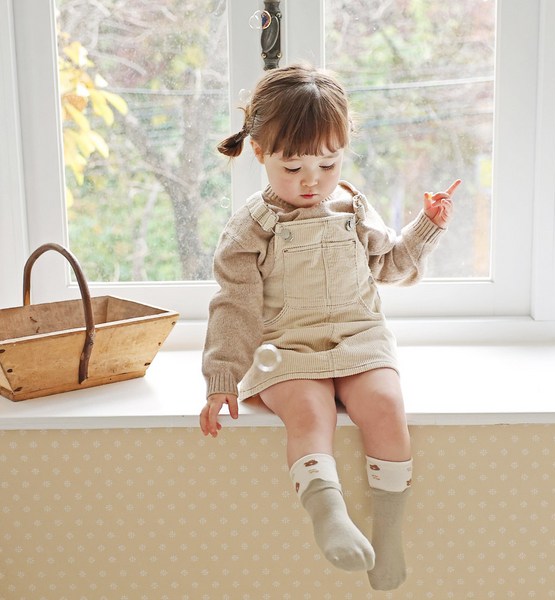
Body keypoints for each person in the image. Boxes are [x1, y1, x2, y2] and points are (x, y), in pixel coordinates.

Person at [200, 62, 460, 591]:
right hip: (288, 349)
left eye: (328, 163)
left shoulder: (353, 208)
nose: (311, 180)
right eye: (293, 166)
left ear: (343, 151)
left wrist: (426, 227)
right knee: (308, 411)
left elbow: (391, 266)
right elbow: (234, 306)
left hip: (359, 340)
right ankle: (328, 515)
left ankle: (388, 534)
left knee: (386, 407)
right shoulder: (251, 229)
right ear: (260, 152)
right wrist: (221, 377)